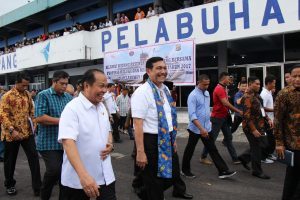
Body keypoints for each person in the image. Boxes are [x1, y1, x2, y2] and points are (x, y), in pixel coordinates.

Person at [131, 57, 193, 200]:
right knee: (154, 180)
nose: (163, 71)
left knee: (173, 173)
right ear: (149, 71)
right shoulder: (142, 92)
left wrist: (173, 139)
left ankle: (143, 190)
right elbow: (138, 124)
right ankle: (149, 192)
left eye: (164, 68)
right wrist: (140, 152)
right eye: (158, 68)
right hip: (151, 141)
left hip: (167, 138)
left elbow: (168, 117)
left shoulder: (165, 89)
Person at [58, 69, 116, 200]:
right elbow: (68, 143)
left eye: (106, 86)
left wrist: (110, 143)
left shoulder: (101, 107)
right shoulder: (72, 109)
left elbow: (108, 130)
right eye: (101, 86)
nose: (105, 90)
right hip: (77, 180)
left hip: (105, 175)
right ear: (86, 85)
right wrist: (83, 176)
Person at [181, 75, 237, 179]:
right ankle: (185, 170)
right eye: (204, 84)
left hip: (207, 128)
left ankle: (223, 171)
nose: (207, 86)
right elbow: (192, 115)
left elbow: (206, 110)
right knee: (190, 149)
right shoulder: (193, 96)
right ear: (198, 82)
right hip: (195, 129)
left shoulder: (206, 93)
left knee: (213, 149)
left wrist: (207, 126)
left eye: (208, 84)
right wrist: (201, 129)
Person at [0, 72, 41, 196]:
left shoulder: (27, 95)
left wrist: (34, 123)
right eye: (23, 85)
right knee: (10, 161)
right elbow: (3, 115)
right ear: (16, 83)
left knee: (34, 158)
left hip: (27, 133)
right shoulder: (7, 96)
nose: (25, 88)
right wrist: (12, 130)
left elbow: (31, 112)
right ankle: (10, 184)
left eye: (27, 85)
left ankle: (37, 186)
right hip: (11, 135)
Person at [35, 71, 73, 200]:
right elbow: (39, 117)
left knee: (65, 174)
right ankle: (44, 196)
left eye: (66, 84)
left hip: (65, 142)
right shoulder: (43, 95)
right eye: (62, 84)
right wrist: (62, 121)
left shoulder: (68, 97)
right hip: (48, 142)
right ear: (54, 82)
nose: (64, 86)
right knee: (54, 170)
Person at [201, 72, 242, 165]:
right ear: (224, 79)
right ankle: (203, 156)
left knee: (228, 137)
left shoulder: (224, 88)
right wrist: (238, 111)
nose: (230, 81)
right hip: (217, 118)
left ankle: (235, 158)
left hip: (224, 117)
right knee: (212, 139)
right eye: (228, 79)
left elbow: (226, 102)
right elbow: (225, 103)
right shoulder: (219, 88)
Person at [238, 76, 273, 179]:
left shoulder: (257, 96)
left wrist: (268, 119)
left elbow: (261, 110)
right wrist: (253, 130)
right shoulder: (248, 97)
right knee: (257, 148)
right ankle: (257, 171)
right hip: (250, 127)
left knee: (263, 144)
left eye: (259, 84)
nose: (258, 85)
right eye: (256, 84)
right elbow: (246, 116)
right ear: (250, 84)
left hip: (260, 125)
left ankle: (244, 157)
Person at [274, 65, 300, 200]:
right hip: (293, 144)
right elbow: (278, 120)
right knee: (292, 178)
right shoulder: (284, 94)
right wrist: (279, 143)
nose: (297, 79)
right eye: (294, 76)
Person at [260, 75, 277, 163]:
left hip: (271, 119)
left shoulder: (269, 92)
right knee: (269, 140)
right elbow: (262, 108)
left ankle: (268, 154)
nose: (275, 85)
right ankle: (263, 157)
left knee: (271, 139)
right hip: (267, 120)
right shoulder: (264, 94)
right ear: (269, 83)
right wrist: (274, 109)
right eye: (274, 83)